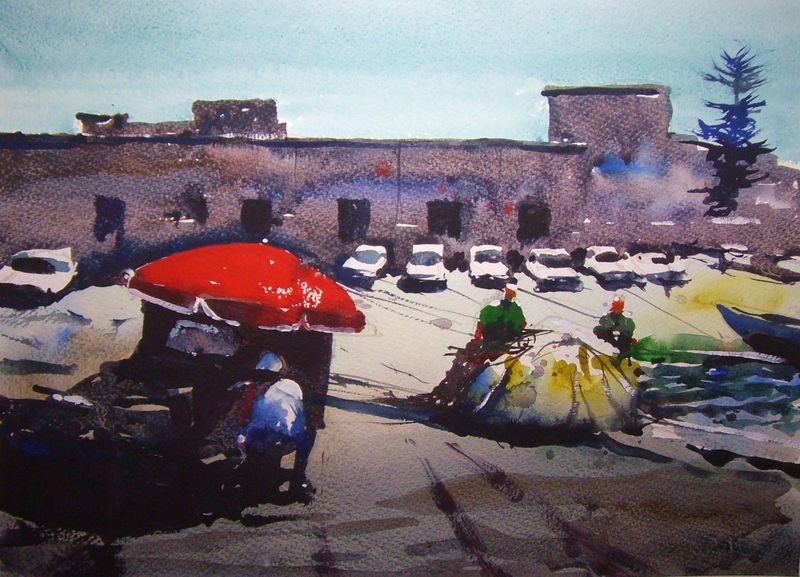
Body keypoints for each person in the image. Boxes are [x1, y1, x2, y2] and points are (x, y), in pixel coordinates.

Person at [474, 281, 528, 351]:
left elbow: (522, 322)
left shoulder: (514, 307)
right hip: (497, 333)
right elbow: (522, 322)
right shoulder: (495, 306)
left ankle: (493, 346)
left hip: (502, 333)